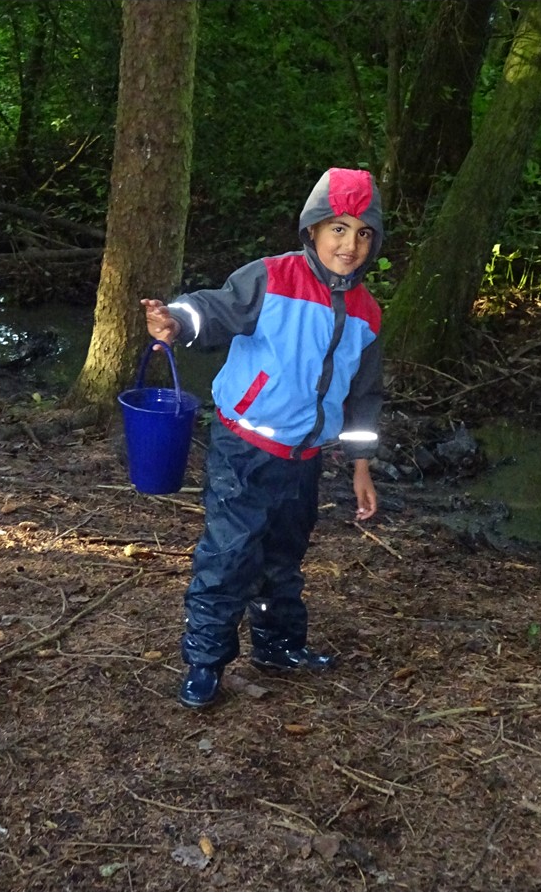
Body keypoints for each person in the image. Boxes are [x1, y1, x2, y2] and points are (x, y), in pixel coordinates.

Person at [142, 167, 384, 708]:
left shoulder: (367, 314)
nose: (349, 244)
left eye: (363, 233)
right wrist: (175, 323)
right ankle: (204, 662)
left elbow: (364, 397)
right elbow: (211, 308)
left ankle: (278, 645)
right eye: (338, 229)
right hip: (243, 449)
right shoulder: (272, 278)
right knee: (229, 557)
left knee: (283, 556)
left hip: (304, 459)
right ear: (313, 231)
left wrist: (361, 464)